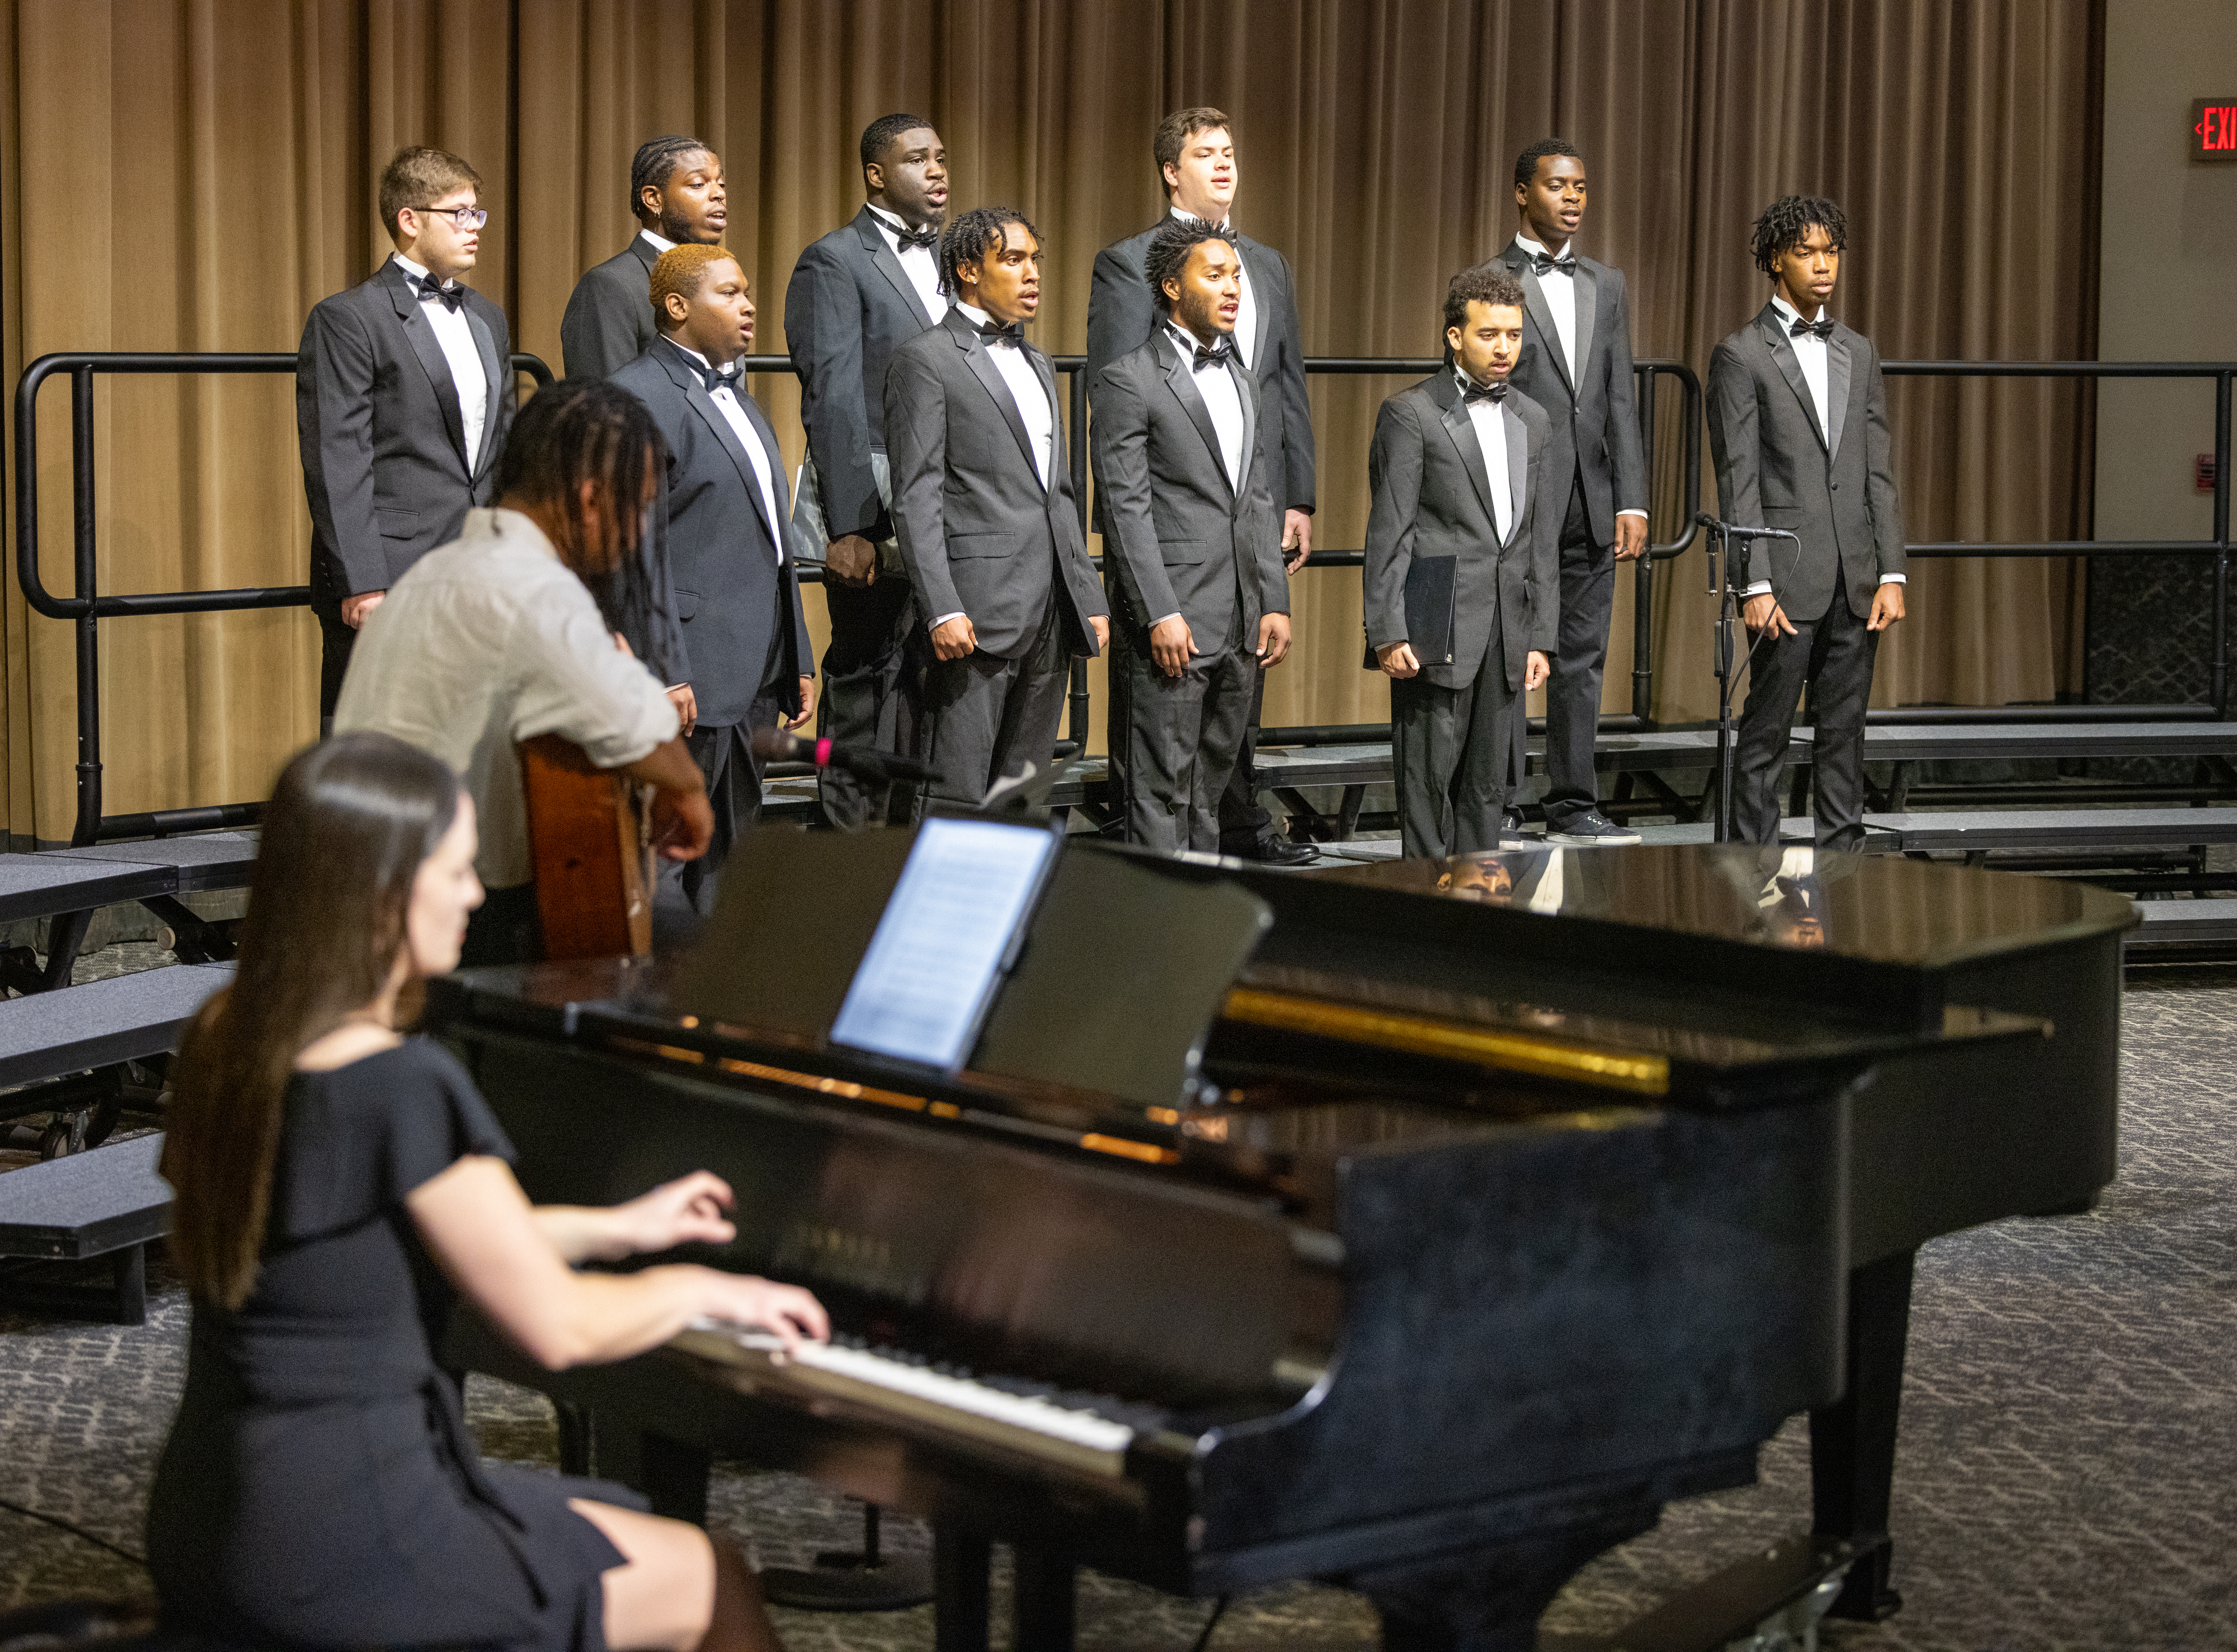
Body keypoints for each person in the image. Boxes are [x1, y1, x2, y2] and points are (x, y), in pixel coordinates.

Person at [148, 730, 826, 1652]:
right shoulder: (398, 1082)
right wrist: (707, 1288)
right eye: (458, 870)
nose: (475, 894)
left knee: (600, 1519)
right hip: (357, 1538)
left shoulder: (227, 1042)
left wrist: (618, 1228)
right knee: (709, 1579)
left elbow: (392, 1242)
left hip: (216, 1515)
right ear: (385, 892)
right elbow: (563, 1329)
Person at [334, 379, 713, 965]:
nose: (639, 534)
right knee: (700, 962)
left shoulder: (427, 575)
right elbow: (641, 728)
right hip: (469, 929)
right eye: (636, 507)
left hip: (370, 902)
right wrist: (686, 790)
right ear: (589, 502)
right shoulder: (533, 592)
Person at [1086, 107, 1316, 866]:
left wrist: (1291, 523)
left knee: (1214, 765)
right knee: (1158, 764)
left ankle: (1213, 877)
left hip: (1241, 573)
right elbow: (1125, 447)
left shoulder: (1267, 278)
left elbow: (1283, 395)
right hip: (1169, 558)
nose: (1223, 164)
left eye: (1229, 151)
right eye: (1203, 153)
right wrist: (1151, 598)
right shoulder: (1130, 268)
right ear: (1169, 168)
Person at [611, 245, 815, 913]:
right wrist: (665, 670)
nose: (748, 304)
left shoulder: (744, 400)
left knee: (733, 859)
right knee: (668, 853)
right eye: (729, 293)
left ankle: (713, 996)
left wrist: (799, 654)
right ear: (677, 306)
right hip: (689, 675)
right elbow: (635, 551)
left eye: (746, 290)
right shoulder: (638, 395)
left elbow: (774, 541)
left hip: (753, 668)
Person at [886, 207, 1108, 809]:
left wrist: (1086, 594)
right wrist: (940, 606)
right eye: (1013, 260)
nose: (1032, 273)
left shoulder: (1038, 363)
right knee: (955, 795)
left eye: (1035, 259)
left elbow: (1056, 492)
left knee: (1024, 795)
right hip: (975, 611)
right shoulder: (925, 358)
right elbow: (915, 495)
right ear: (968, 271)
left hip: (1049, 611)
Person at [1706, 195, 1908, 852]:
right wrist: (1752, 584)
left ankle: (1842, 879)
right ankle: (1750, 881)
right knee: (1763, 735)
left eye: (1830, 252)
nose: (1822, 266)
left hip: (1855, 576)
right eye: (1805, 253)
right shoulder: (1741, 355)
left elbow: (1876, 469)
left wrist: (1891, 570)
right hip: (1785, 578)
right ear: (1773, 261)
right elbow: (1738, 479)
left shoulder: (1857, 349)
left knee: (1844, 736)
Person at [299, 145, 514, 723]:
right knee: (376, 754)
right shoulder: (349, 318)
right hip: (393, 574)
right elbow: (337, 455)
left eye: (478, 214)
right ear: (410, 220)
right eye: (460, 214)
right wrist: (364, 580)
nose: (475, 229)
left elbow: (504, 448)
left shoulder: (488, 318)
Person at [785, 114, 951, 828]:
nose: (937, 170)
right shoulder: (836, 259)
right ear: (876, 174)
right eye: (918, 159)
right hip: (875, 491)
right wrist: (850, 522)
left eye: (941, 158)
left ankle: (906, 840)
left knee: (932, 672)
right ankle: (841, 842)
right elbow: (833, 395)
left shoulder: (959, 258)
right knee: (862, 672)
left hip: (949, 495)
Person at [1489, 139, 1650, 847]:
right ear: (1523, 192)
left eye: (1580, 186)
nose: (1573, 197)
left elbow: (1619, 395)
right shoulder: (1489, 278)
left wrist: (1632, 497)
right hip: (1521, 501)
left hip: (1591, 497)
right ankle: (1494, 801)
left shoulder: (1605, 283)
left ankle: (1572, 801)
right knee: (1509, 654)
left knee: (1581, 656)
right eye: (1557, 185)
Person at [1364, 265, 1556, 859]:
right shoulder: (1411, 414)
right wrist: (1387, 627)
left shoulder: (1534, 418)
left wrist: (1540, 636)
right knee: (1425, 786)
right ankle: (1424, 914)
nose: (1503, 348)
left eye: (1513, 335)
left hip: (1506, 628)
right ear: (1454, 336)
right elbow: (1389, 530)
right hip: (1434, 623)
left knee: (1486, 789)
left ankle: (1477, 911)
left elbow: (1537, 539)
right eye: (1488, 334)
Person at [563, 136, 728, 381]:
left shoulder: (727, 281)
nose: (718, 194)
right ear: (653, 199)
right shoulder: (610, 286)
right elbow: (607, 405)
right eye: (697, 184)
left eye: (721, 183)